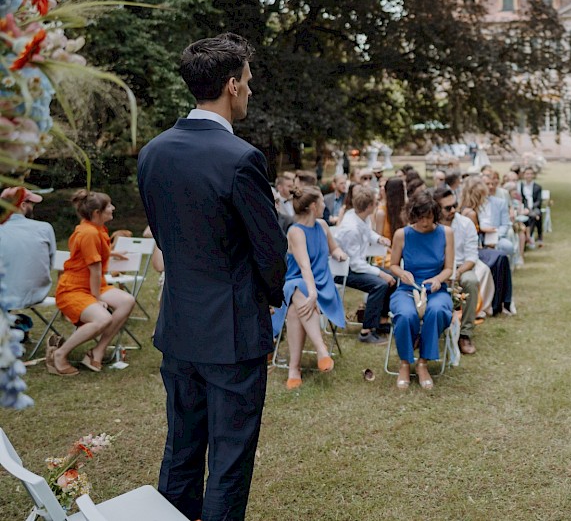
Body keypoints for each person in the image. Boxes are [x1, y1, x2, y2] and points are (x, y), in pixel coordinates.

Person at [137, 33, 288, 521]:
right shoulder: (241, 158)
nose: (250, 91)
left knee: (180, 452)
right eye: (247, 81)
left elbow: (163, 236)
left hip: (178, 326)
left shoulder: (153, 152)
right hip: (233, 333)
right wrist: (266, 298)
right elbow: (270, 251)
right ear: (230, 85)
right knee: (228, 460)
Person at [50, 190, 136, 376]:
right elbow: (95, 270)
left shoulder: (95, 228)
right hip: (73, 289)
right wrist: (96, 299)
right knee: (103, 318)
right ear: (97, 213)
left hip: (91, 284)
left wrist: (111, 254)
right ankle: (59, 354)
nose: (113, 208)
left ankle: (97, 350)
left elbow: (88, 254)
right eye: (109, 206)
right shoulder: (89, 233)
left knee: (127, 301)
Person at [278, 186, 349, 390]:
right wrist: (312, 293)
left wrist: (338, 254)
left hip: (321, 282)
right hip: (298, 280)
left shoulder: (323, 226)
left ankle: (295, 368)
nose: (325, 206)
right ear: (313, 206)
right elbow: (304, 267)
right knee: (299, 288)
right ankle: (321, 349)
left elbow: (333, 247)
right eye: (322, 203)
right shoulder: (295, 231)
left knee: (294, 311)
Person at [388, 191, 455, 390]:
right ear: (413, 215)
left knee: (437, 311)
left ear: (435, 214)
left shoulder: (446, 233)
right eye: (420, 217)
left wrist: (437, 279)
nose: (425, 222)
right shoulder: (402, 234)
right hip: (408, 289)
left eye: (429, 217)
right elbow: (392, 265)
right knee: (405, 314)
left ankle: (423, 362)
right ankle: (405, 364)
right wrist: (402, 273)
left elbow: (449, 268)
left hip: (436, 289)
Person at [335, 186, 394, 344]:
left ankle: (381, 321)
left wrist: (378, 239)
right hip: (343, 270)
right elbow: (356, 265)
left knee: (393, 277)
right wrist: (380, 273)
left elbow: (367, 232)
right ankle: (366, 331)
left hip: (356, 264)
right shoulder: (350, 228)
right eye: (375, 203)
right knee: (380, 284)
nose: (377, 205)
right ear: (369, 207)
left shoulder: (360, 215)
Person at [434, 187, 482, 355]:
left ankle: (465, 333)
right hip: (436, 269)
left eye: (455, 205)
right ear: (437, 209)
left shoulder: (465, 223)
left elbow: (472, 257)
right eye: (448, 208)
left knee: (471, 281)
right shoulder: (430, 226)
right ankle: (425, 331)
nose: (453, 210)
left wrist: (457, 272)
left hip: (461, 267)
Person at [0, 187, 56, 314]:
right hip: (35, 294)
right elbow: (50, 264)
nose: (33, 207)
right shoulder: (45, 228)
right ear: (23, 205)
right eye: (31, 203)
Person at [519, 167, 544, 247]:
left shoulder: (537, 187)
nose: (529, 175)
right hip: (523, 207)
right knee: (534, 216)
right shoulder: (521, 186)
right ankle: (530, 236)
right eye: (527, 174)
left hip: (534, 207)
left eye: (530, 174)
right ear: (524, 175)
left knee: (535, 214)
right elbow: (521, 199)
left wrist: (531, 208)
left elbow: (539, 201)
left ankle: (531, 236)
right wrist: (525, 207)